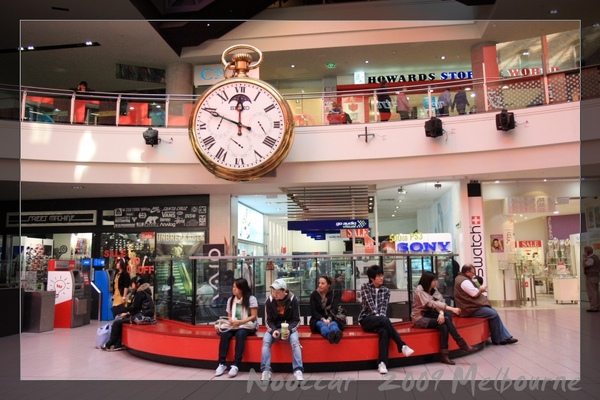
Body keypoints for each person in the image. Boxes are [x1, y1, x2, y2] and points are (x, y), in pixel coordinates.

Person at [412, 272, 478, 365]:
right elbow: (432, 304)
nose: (436, 282)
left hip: (430, 314)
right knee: (447, 319)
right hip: (420, 318)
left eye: (436, 280)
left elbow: (440, 301)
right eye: (434, 280)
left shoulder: (433, 289)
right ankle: (461, 343)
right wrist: (451, 309)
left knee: (444, 326)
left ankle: (444, 355)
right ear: (428, 281)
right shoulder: (420, 291)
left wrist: (441, 313)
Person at [358, 265, 414, 374]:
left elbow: (384, 307)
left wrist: (382, 317)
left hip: (381, 320)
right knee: (384, 320)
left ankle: (382, 363)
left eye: (382, 275)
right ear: (371, 278)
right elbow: (370, 305)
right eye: (378, 276)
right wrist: (381, 317)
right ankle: (401, 345)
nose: (381, 278)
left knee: (384, 332)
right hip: (367, 319)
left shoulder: (386, 291)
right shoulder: (365, 287)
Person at [454, 264, 518, 345]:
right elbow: (474, 293)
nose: (474, 275)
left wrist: (476, 284)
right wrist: (481, 289)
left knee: (492, 312)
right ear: (467, 272)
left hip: (471, 306)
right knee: (493, 313)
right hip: (470, 309)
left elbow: (475, 289)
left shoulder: (462, 278)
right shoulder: (464, 281)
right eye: (473, 273)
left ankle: (503, 336)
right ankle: (499, 338)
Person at [260, 278, 304, 381]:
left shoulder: (293, 299)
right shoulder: (269, 301)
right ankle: (266, 371)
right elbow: (268, 321)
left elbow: (296, 320)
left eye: (277, 292)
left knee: (295, 342)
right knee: (266, 341)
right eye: (273, 292)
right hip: (275, 328)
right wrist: (273, 330)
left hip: (289, 328)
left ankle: (298, 371)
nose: (275, 295)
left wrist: (290, 329)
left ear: (284, 291)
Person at [215, 278, 258, 377]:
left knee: (240, 334)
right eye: (233, 287)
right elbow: (229, 315)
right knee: (225, 334)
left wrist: (240, 322)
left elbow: (253, 316)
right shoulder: (231, 300)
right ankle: (222, 363)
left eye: (236, 287)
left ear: (242, 288)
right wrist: (231, 320)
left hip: (247, 325)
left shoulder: (251, 299)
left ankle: (236, 364)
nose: (233, 289)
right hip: (234, 325)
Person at [103, 275, 155, 351]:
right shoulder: (145, 292)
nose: (131, 285)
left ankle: (112, 343)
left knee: (117, 322)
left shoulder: (140, 293)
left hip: (141, 317)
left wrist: (125, 312)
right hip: (145, 315)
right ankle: (117, 342)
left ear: (138, 283)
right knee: (120, 318)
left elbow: (134, 309)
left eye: (133, 283)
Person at [310, 275, 344, 343]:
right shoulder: (314, 295)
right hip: (318, 319)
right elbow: (313, 311)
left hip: (332, 317)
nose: (320, 285)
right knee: (322, 325)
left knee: (333, 324)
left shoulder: (334, 294)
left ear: (328, 285)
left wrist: (329, 319)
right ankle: (329, 335)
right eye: (319, 283)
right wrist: (323, 319)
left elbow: (334, 308)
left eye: (323, 283)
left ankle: (337, 334)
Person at [583, 246, 600, 312]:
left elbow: (585, 265)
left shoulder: (591, 259)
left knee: (592, 293)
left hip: (591, 277)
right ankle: (597, 306)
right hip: (596, 277)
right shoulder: (596, 257)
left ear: (587, 252)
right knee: (596, 292)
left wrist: (584, 259)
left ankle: (594, 307)